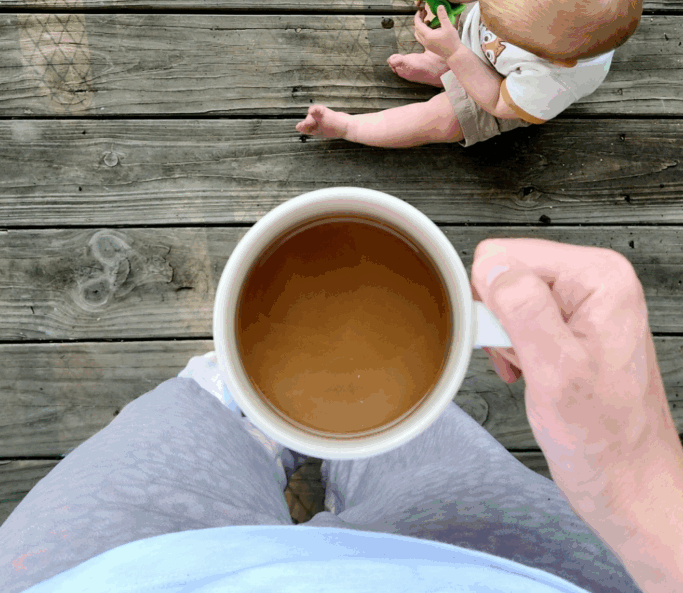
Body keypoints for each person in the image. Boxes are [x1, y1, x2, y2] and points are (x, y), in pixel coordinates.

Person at [2, 238, 681, 592]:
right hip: (522, 569)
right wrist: (641, 489)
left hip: (122, 572)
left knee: (195, 412)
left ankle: (244, 405)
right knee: (424, 429)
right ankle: (328, 422)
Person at [296, 0, 644, 147]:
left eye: (502, 23)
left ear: (556, 59)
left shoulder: (552, 81)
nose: (486, 9)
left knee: (443, 121)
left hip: (497, 84)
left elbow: (496, 102)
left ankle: (347, 127)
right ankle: (439, 66)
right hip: (474, 43)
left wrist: (456, 55)